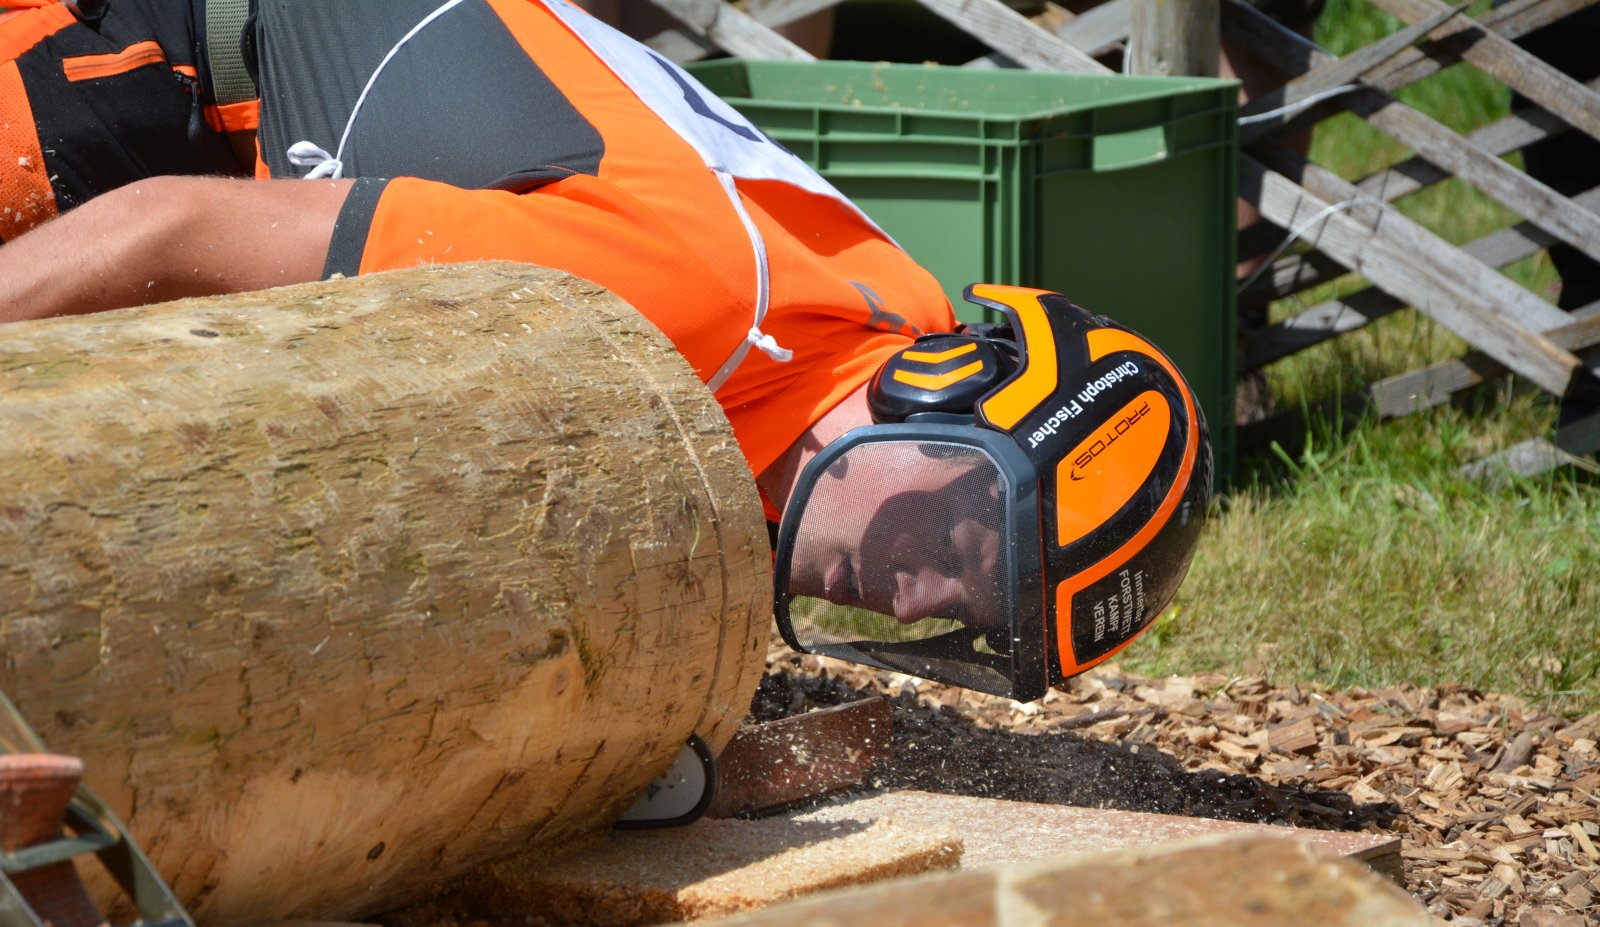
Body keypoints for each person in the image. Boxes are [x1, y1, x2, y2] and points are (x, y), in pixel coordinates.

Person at [0, 0, 1210, 701]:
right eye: (949, 541)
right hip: (160, 44)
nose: (911, 596)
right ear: (944, 390)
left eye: (964, 608)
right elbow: (166, 230)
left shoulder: (872, 322)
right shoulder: (676, 308)